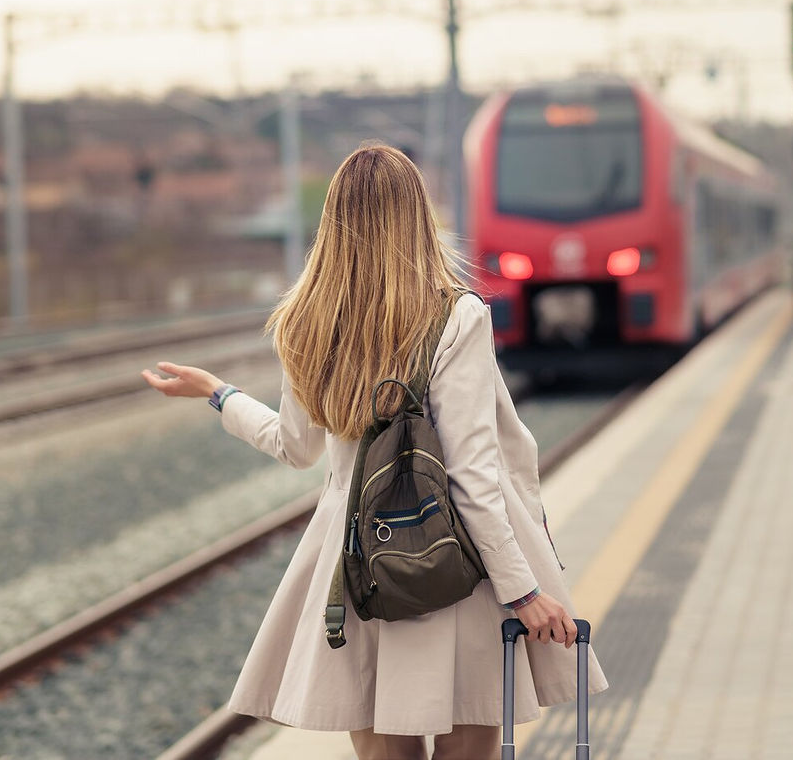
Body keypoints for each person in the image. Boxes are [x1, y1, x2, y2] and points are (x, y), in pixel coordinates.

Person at [141, 144, 605, 760]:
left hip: (359, 567)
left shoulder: (307, 321)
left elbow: (294, 445)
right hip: (456, 564)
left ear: (333, 223)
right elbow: (471, 475)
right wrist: (523, 590)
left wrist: (219, 395)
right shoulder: (454, 315)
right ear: (418, 217)